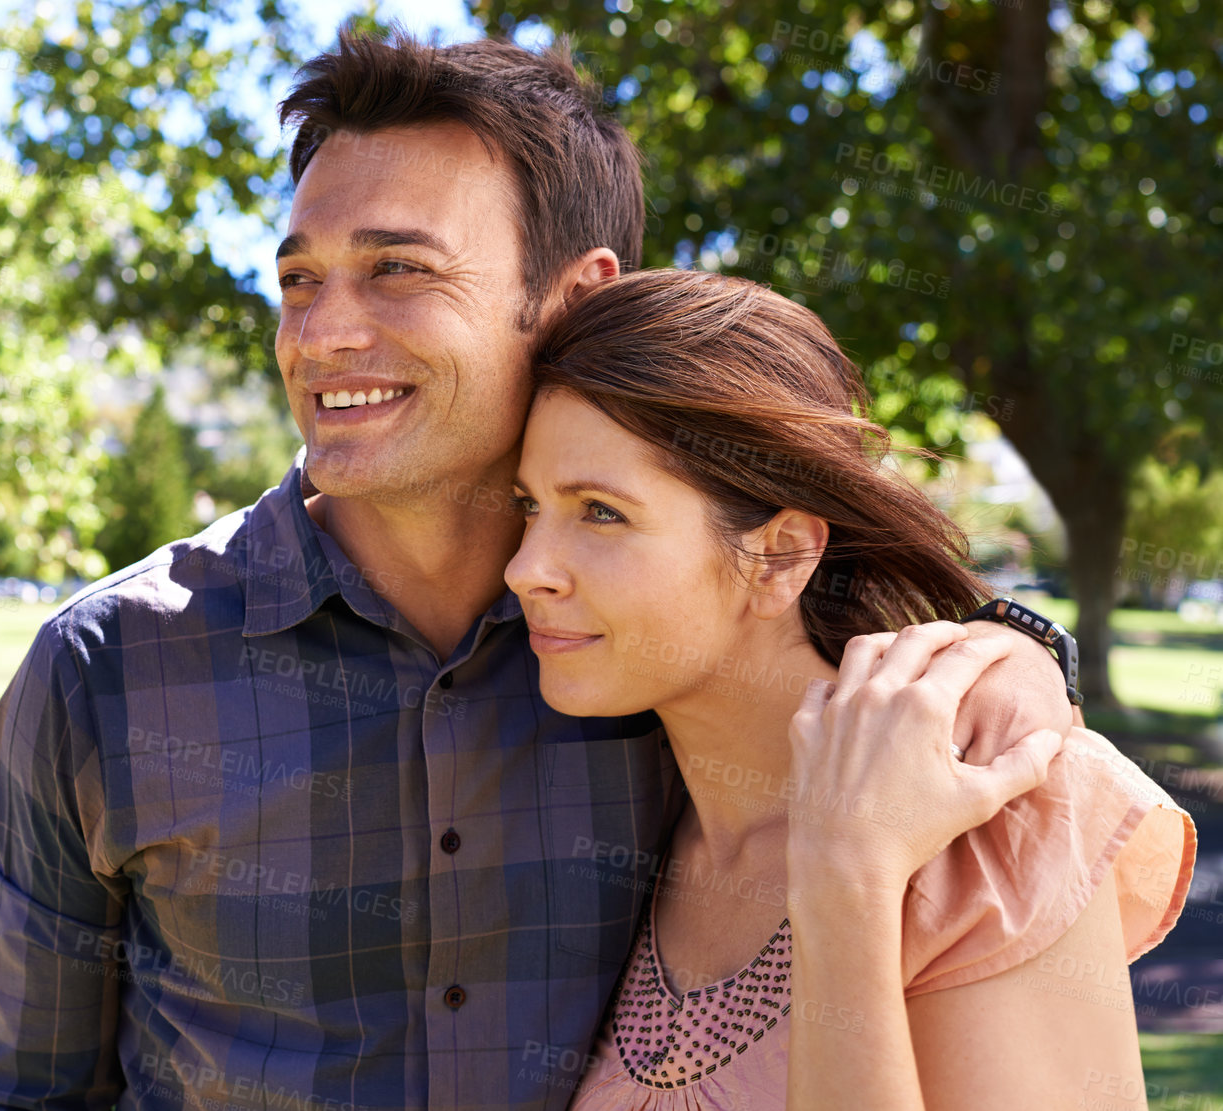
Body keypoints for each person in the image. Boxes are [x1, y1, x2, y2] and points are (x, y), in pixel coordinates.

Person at [0, 31, 1084, 1111]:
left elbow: (830, 599)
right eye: (299, 278)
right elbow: (26, 1094)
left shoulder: (644, 645)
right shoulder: (106, 669)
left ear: (574, 297)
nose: (321, 335)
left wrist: (1022, 654)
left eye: (397, 270)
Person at [505, 269, 1195, 1110]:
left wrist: (848, 884)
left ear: (782, 555)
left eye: (600, 511)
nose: (525, 568)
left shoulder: (987, 820)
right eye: (528, 506)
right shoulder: (613, 822)